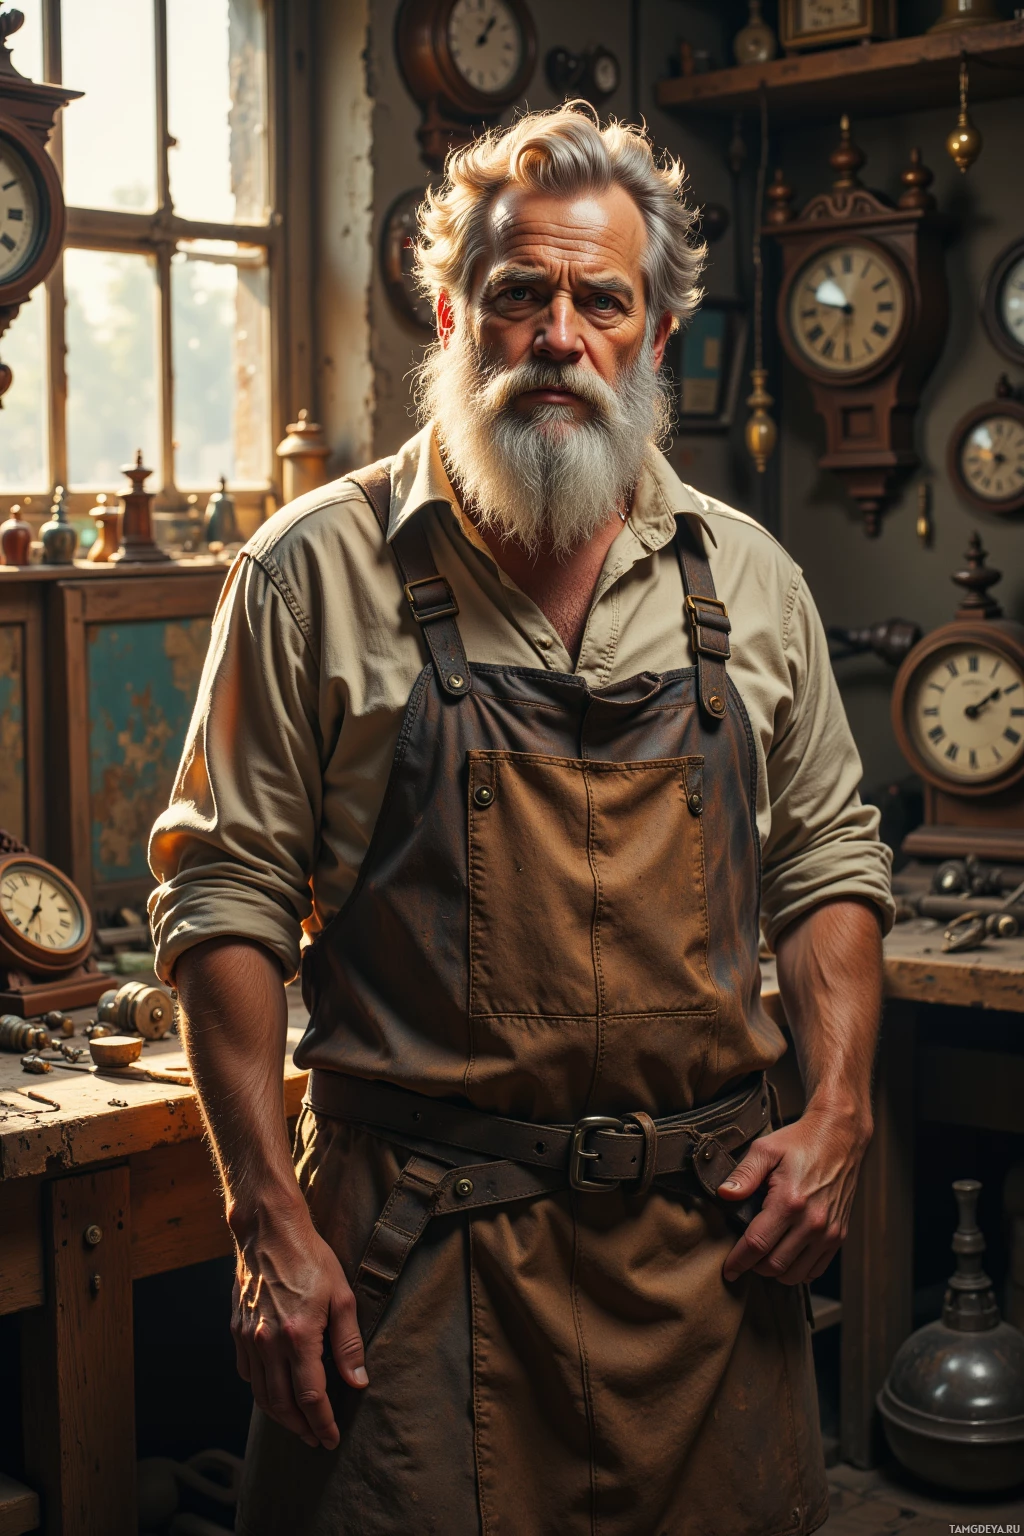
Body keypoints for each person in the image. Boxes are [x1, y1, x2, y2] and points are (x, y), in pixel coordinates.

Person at [150, 105, 893, 1536]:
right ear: (453, 314)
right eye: (519, 296)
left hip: (708, 1274)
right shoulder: (312, 575)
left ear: (656, 333)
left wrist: (843, 1113)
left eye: (600, 301)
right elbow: (223, 897)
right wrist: (264, 1219)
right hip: (414, 1282)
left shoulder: (751, 582)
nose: (560, 335)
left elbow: (825, 866)